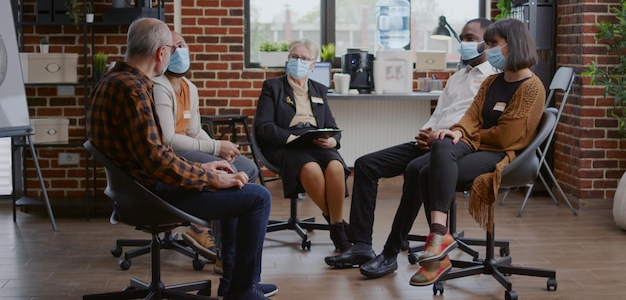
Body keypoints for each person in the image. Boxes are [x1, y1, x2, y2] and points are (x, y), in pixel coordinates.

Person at [86, 17, 274, 300]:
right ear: (161, 53)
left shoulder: (111, 81)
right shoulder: (133, 90)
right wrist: (213, 178)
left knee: (239, 186)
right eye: (171, 51)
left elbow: (155, 154)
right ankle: (241, 290)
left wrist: (201, 166)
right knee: (257, 197)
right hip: (151, 194)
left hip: (137, 190)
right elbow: (157, 161)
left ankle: (234, 282)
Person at [325, 18, 496, 271]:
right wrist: (428, 131)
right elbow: (439, 113)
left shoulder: (493, 80)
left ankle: (390, 254)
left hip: (457, 147)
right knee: (365, 164)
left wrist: (439, 136)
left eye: (470, 38)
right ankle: (361, 246)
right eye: (462, 38)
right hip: (432, 141)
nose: (464, 44)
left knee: (416, 170)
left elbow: (479, 124)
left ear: (488, 42)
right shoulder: (458, 77)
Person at [402, 18, 545, 286]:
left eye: (493, 43)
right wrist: (458, 131)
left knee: (429, 170)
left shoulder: (531, 88)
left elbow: (507, 136)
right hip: (479, 145)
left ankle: (437, 253)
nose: (486, 47)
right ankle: (440, 240)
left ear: (512, 46)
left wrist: (469, 135)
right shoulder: (492, 82)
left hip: (504, 155)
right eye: (486, 42)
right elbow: (471, 117)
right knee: (439, 149)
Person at [152, 31, 274, 297]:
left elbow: (195, 132)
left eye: (182, 45)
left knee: (247, 169)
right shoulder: (158, 86)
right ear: (161, 54)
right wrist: (217, 148)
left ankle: (238, 274)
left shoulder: (189, 88)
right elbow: (169, 140)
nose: (179, 51)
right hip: (175, 156)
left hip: (192, 149)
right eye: (172, 47)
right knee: (237, 179)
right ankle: (230, 267)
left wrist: (220, 149)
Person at [254, 38, 351, 252]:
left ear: (313, 64)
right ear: (288, 60)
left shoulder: (319, 89)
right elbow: (264, 126)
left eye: (304, 58)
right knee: (311, 169)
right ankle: (338, 228)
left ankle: (336, 225)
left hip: (316, 141)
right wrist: (291, 138)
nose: (298, 61)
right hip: (287, 144)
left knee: (335, 167)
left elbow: (332, 126)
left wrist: (332, 140)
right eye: (294, 57)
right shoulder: (273, 87)